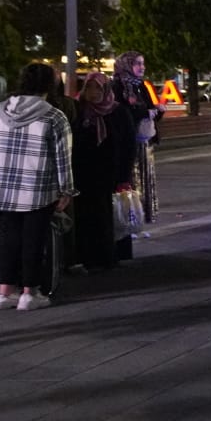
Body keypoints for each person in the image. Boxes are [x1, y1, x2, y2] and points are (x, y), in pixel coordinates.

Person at [0, 63, 75, 311]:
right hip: (39, 187)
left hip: (4, 186)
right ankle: (29, 293)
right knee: (34, 239)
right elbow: (62, 157)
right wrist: (66, 189)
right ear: (49, 84)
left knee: (8, 238)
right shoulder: (53, 116)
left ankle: (3, 293)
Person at [69, 73, 135, 271]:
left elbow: (128, 145)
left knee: (109, 214)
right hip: (83, 173)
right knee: (86, 215)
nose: (93, 93)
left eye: (98, 88)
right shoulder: (78, 110)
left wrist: (124, 175)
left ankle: (108, 256)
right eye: (89, 88)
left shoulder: (118, 112)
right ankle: (86, 256)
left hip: (110, 173)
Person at [113, 51, 163, 225]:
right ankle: (130, 218)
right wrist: (144, 112)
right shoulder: (118, 86)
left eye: (143, 63)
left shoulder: (141, 85)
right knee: (131, 180)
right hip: (129, 141)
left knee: (145, 180)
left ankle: (142, 216)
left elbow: (150, 110)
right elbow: (122, 112)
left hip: (144, 141)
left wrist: (157, 111)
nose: (142, 67)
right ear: (127, 65)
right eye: (138, 64)